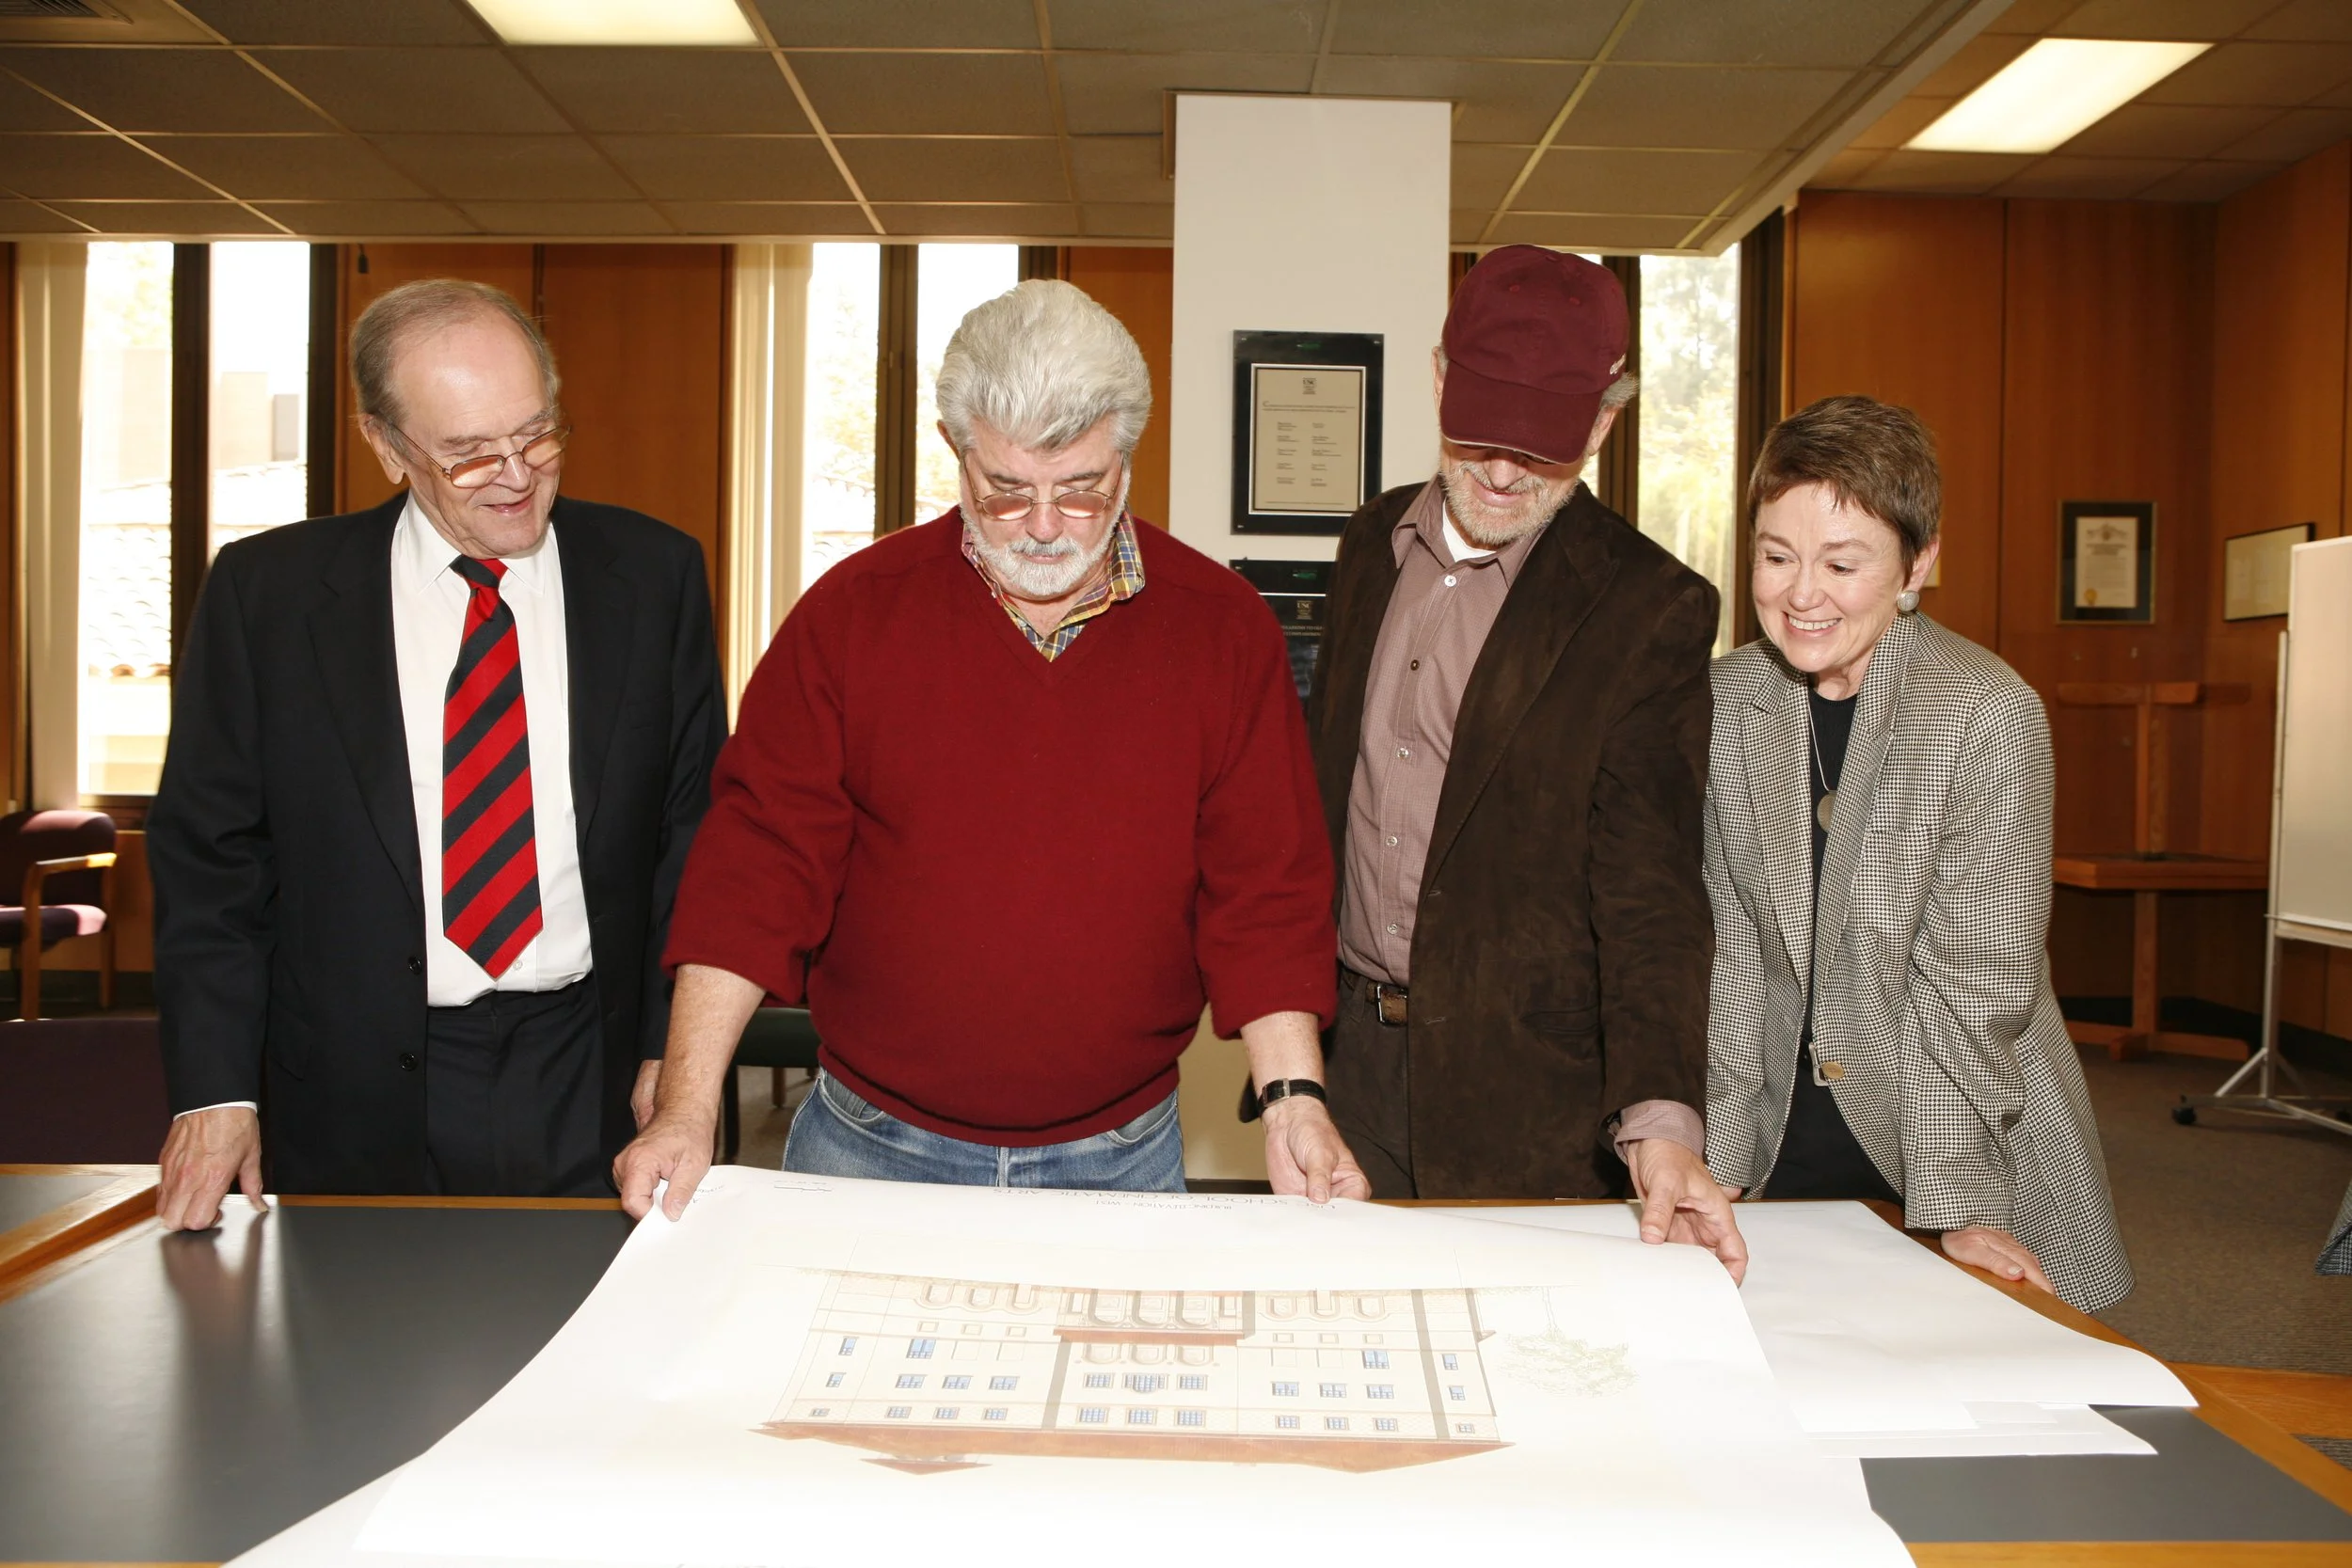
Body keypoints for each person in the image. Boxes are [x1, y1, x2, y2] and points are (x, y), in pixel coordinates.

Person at [615, 280, 1361, 1217]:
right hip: (868, 1147)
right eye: (1006, 494)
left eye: (1081, 491)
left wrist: (1295, 1099)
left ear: (1127, 458)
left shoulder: (1221, 631)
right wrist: (684, 1107)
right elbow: (754, 869)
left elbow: (1268, 885)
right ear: (956, 453)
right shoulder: (851, 616)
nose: (1045, 526)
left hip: (1121, 1157)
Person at [149, 279, 725, 1228]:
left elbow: (691, 833)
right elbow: (212, 862)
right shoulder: (272, 597)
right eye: (466, 455)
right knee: (356, 1360)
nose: (515, 473)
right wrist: (215, 1091)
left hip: (587, 1070)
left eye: (538, 434)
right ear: (384, 444)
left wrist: (679, 1050)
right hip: (348, 1080)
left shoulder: (653, 575)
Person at [1307, 245, 1744, 1278]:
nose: (1501, 472)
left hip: (1530, 1095)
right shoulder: (1370, 546)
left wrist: (1661, 1118)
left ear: (1599, 424)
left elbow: (1650, 888)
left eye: (1541, 447)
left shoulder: (1649, 608)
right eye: (1478, 432)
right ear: (1436, 380)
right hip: (1352, 1064)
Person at [1705, 395, 2132, 1312]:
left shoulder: (1984, 710)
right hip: (1781, 1120)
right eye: (1776, 557)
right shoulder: (1721, 704)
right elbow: (1734, 954)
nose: (1800, 592)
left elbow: (1974, 982)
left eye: (1841, 563)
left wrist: (1955, 1203)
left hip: (1948, 1120)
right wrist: (1723, 1163)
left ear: (1918, 562)